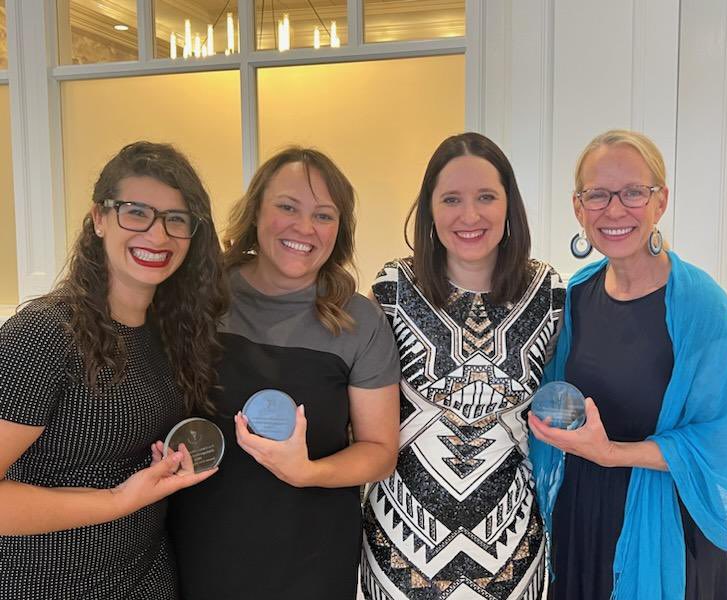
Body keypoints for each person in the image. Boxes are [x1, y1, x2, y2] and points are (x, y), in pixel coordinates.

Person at [528, 130, 727, 599]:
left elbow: (721, 441)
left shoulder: (703, 307)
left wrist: (612, 453)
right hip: (584, 522)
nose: (615, 210)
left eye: (634, 192)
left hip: (666, 530)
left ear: (661, 202)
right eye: (598, 194)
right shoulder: (573, 298)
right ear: (579, 208)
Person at [169, 147, 401, 599]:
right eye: (287, 207)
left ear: (341, 230)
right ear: (256, 209)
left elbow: (380, 452)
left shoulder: (360, 322)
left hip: (312, 553)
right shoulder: (197, 300)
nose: (304, 228)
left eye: (324, 215)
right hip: (200, 543)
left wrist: (307, 472)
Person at [0, 141, 228, 599]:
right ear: (100, 219)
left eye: (175, 220)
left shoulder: (170, 331)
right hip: (48, 584)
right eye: (136, 212)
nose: (158, 236)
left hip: (147, 577)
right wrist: (118, 500)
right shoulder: (44, 333)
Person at [361, 132, 565, 600]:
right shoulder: (392, 289)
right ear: (429, 209)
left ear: (509, 204)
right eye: (451, 199)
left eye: (486, 197)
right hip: (400, 548)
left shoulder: (549, 292)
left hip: (512, 548)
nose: (469, 216)